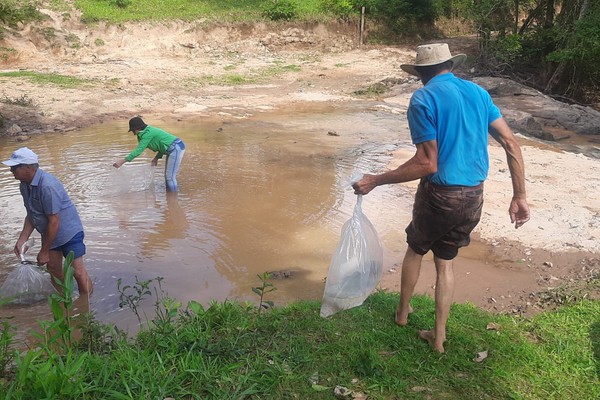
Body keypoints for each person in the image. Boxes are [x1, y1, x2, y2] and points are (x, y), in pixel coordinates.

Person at [352, 43, 530, 353]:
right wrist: (520, 196)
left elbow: (426, 162)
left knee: (416, 248)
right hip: (474, 196)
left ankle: (402, 314)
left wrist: (375, 180)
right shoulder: (478, 93)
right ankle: (438, 337)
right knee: (445, 263)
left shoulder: (423, 97)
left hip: (440, 195)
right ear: (450, 65)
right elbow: (511, 143)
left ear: (421, 73)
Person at [3, 147, 93, 296]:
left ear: (28, 167)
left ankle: (87, 305)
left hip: (68, 233)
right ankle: (63, 305)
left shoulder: (47, 186)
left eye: (14, 167)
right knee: (54, 271)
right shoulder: (24, 186)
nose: (11, 171)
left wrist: (44, 251)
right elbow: (31, 214)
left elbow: (54, 220)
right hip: (51, 234)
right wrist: (22, 240)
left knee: (77, 273)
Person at [113, 117, 186, 192]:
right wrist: (156, 158)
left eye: (133, 131)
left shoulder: (147, 134)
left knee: (170, 177)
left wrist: (122, 161)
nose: (133, 133)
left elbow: (138, 150)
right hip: (171, 148)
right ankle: (170, 195)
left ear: (137, 129)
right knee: (168, 176)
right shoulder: (145, 133)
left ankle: (172, 199)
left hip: (176, 148)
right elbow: (162, 146)